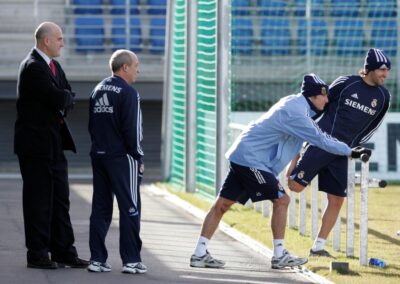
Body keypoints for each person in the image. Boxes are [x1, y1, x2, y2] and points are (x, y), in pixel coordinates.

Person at [189, 74, 371, 269]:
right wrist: (350, 150)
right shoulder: (297, 112)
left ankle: (199, 253)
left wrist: (294, 164)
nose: (327, 101)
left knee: (222, 204)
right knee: (282, 200)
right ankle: (279, 255)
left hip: (244, 155)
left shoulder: (296, 104)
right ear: (313, 96)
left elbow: (293, 138)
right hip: (252, 159)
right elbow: (322, 140)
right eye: (324, 96)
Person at [288, 48, 391, 258]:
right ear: (369, 69)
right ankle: (296, 154)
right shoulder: (346, 83)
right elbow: (319, 106)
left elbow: (373, 126)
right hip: (321, 142)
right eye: (381, 69)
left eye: (387, 70)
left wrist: (354, 146)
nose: (385, 74)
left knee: (336, 200)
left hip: (343, 151)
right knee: (294, 186)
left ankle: (318, 247)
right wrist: (308, 132)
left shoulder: (383, 96)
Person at [14, 22, 88, 269]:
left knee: (60, 200)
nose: (63, 43)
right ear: (46, 41)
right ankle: (37, 254)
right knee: (39, 201)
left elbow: (67, 94)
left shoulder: (53, 66)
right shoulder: (33, 67)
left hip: (54, 143)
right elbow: (59, 96)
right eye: (59, 39)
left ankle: (63, 251)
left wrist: (64, 97)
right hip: (36, 146)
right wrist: (63, 97)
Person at [87, 49, 146, 274]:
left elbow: (92, 126)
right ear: (125, 68)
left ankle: (97, 259)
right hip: (123, 159)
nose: (138, 70)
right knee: (130, 207)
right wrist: (138, 156)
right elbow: (132, 129)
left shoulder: (97, 89)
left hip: (99, 155)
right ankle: (131, 261)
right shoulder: (129, 93)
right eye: (136, 65)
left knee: (100, 208)